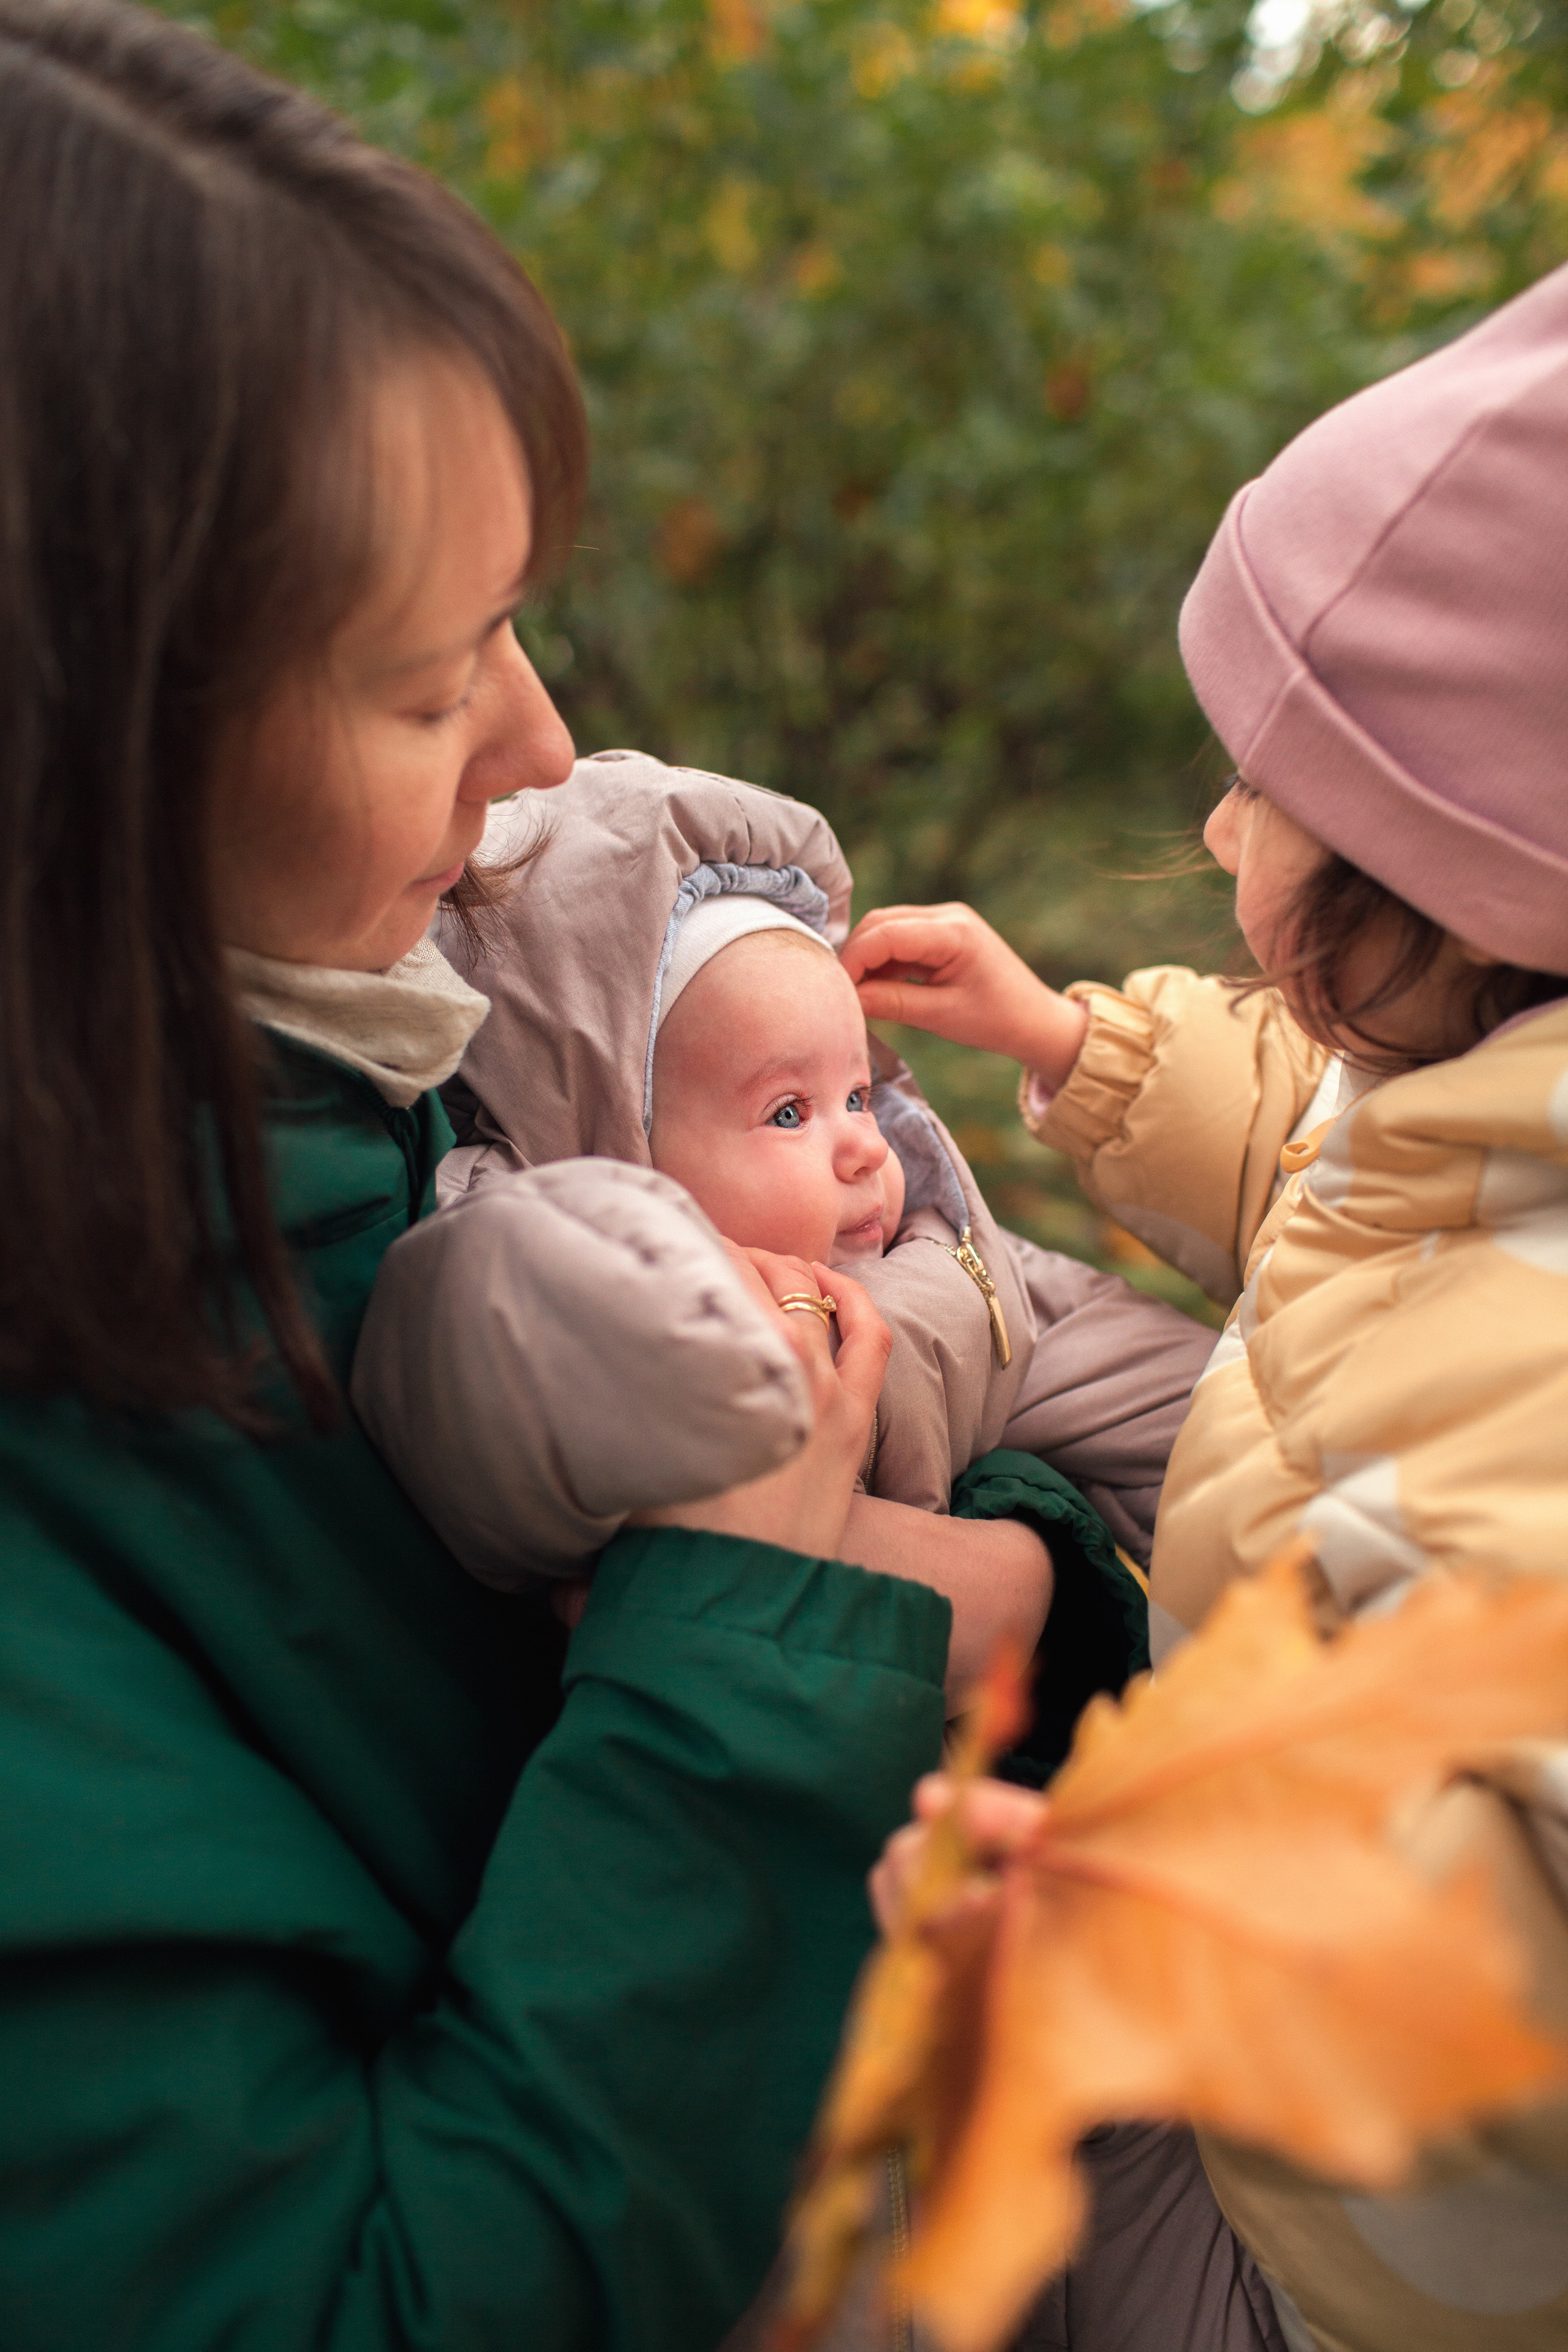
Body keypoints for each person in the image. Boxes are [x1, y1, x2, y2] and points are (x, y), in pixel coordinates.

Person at [0, 9, 966, 2346]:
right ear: (73, 750)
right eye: (430, 679)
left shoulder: (340, 1090)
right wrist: (756, 1644)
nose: (539, 750)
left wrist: (969, 1566)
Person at [845, 263, 1568, 2350]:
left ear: (1465, 884)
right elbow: (1338, 1167)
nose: (1215, 823)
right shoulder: (1469, 1100)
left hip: (1375, 2280)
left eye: (1275, 796)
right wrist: (1079, 1047)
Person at [352, 752, 1211, 1713]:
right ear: (620, 1154)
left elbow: (1211, 1422)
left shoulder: (966, 1269)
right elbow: (491, 1328)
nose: (862, 1147)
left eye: (857, 1093)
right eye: (789, 1113)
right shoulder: (562, 1270)